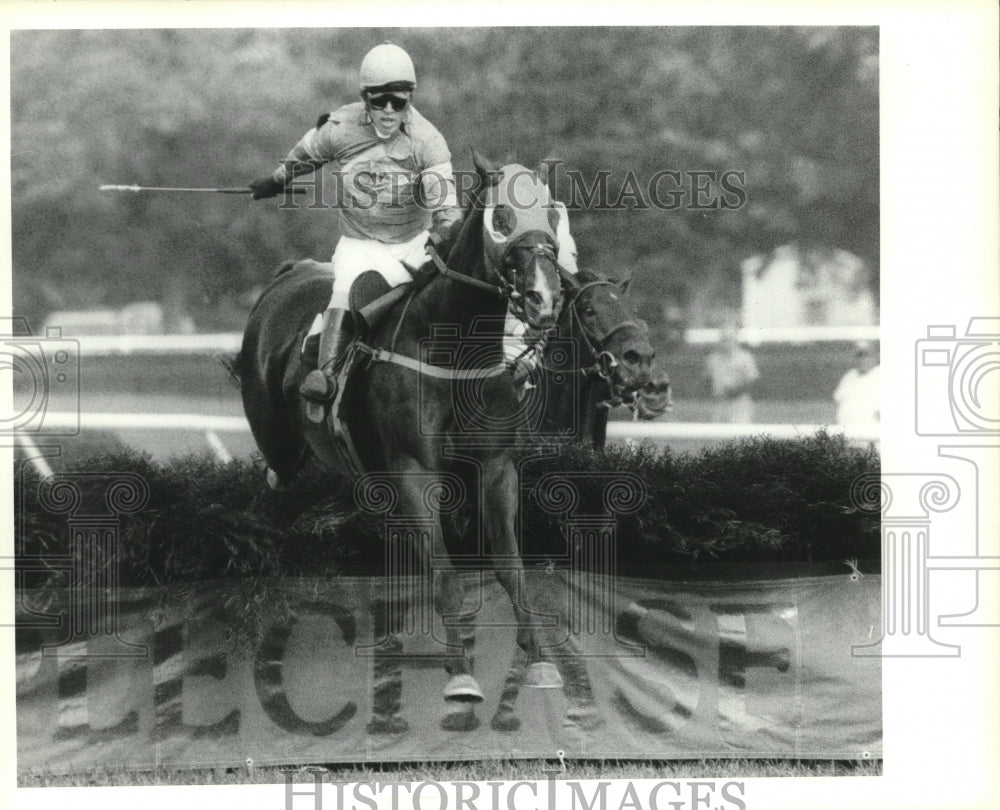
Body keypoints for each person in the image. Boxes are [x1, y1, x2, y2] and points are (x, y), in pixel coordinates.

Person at [250, 43, 578, 408]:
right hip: (360, 244)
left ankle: (493, 370)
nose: (389, 110)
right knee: (344, 289)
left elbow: (444, 203)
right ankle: (325, 374)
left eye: (399, 101)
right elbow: (304, 156)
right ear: (365, 97)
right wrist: (276, 181)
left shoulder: (428, 140)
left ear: (410, 98)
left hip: (412, 241)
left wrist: (445, 232)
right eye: (380, 101)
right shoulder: (338, 127)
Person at [704, 325, 760, 423]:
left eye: (729, 339)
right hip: (720, 403)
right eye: (723, 339)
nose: (726, 343)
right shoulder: (713, 359)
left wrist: (736, 390)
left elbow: (752, 380)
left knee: (739, 434)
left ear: (735, 340)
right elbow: (707, 379)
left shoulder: (745, 357)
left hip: (739, 404)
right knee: (718, 434)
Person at [833, 341, 880, 425]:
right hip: (845, 429)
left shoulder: (883, 374)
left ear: (875, 356)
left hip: (870, 431)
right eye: (859, 355)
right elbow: (837, 400)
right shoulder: (850, 376)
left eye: (867, 355)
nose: (863, 359)